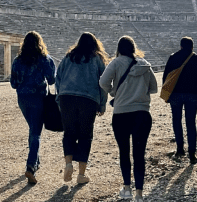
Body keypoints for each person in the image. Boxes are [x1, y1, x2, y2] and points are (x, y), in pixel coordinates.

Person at [100, 36, 157, 202]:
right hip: (142, 113)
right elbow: (153, 88)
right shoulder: (145, 65)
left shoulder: (116, 63)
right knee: (139, 154)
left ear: (119, 49)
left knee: (124, 152)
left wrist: (114, 92)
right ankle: (139, 193)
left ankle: (126, 188)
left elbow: (103, 82)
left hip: (121, 113)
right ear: (134, 48)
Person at [55, 32, 109, 184]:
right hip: (88, 99)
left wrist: (60, 97)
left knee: (69, 133)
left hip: (67, 97)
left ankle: (68, 164)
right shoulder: (97, 59)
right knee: (85, 135)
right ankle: (81, 175)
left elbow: (58, 78)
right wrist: (102, 104)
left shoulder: (68, 57)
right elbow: (103, 83)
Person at [10, 31, 56, 184]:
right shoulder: (44, 59)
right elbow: (51, 80)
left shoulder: (17, 61)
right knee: (36, 132)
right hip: (38, 98)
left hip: (22, 98)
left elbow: (13, 84)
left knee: (33, 129)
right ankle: (30, 167)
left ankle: (36, 162)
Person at [162, 36, 197, 164]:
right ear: (192, 47)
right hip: (193, 94)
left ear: (181, 46)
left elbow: (166, 77)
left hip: (175, 94)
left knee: (176, 120)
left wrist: (167, 94)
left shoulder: (173, 57)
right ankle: (192, 153)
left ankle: (179, 149)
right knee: (191, 122)